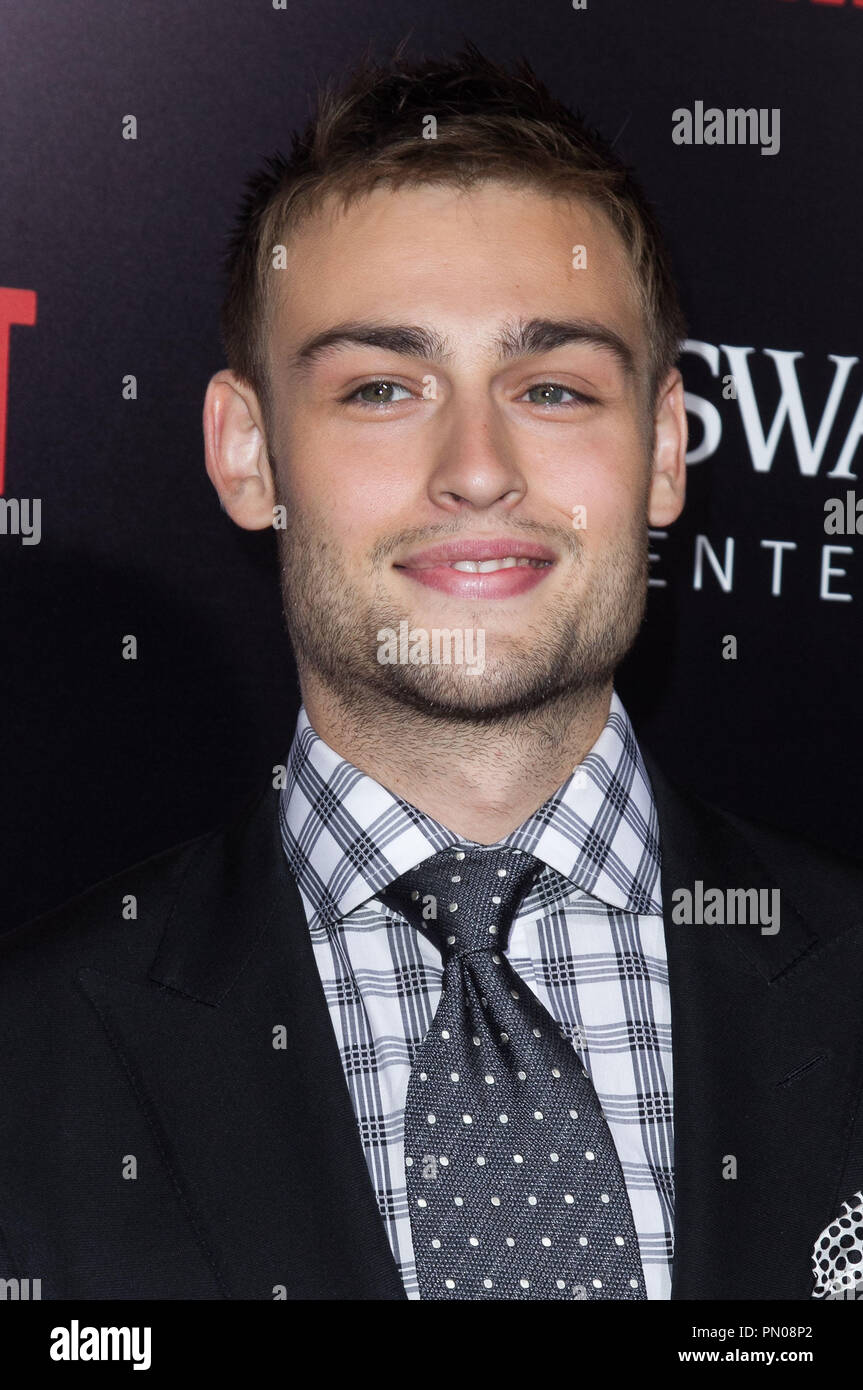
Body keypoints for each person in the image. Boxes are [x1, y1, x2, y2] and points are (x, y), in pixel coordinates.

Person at [2, 44, 862, 1303]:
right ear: (248, 452)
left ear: (666, 451)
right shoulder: (25, 1067)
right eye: (383, 387)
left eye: (555, 386)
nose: (475, 466)